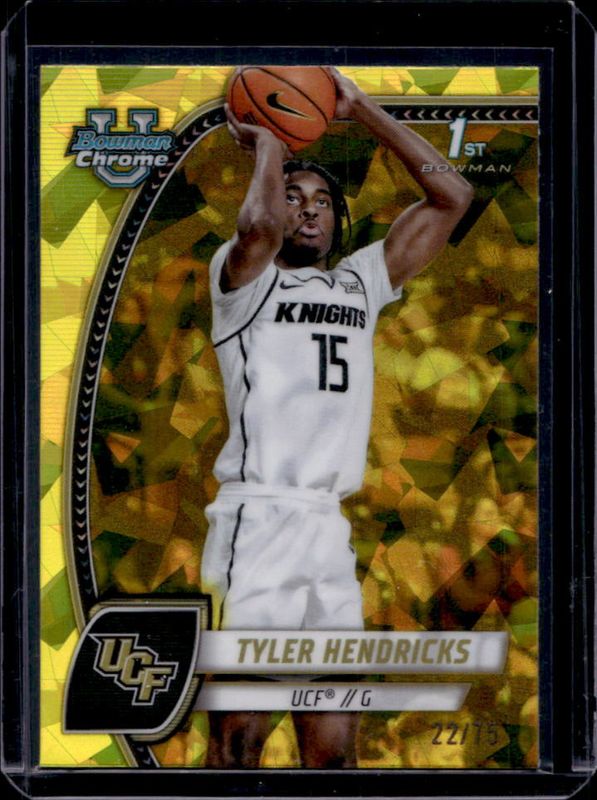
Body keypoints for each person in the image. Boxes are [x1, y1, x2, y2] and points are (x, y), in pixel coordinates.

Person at [200, 67, 473, 768]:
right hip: (259, 521)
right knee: (238, 740)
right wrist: (270, 141)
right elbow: (260, 226)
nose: (308, 211)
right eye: (294, 197)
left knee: (333, 752)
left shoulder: (360, 281)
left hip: (326, 529)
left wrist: (361, 107)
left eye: (322, 200)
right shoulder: (243, 280)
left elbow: (452, 195)